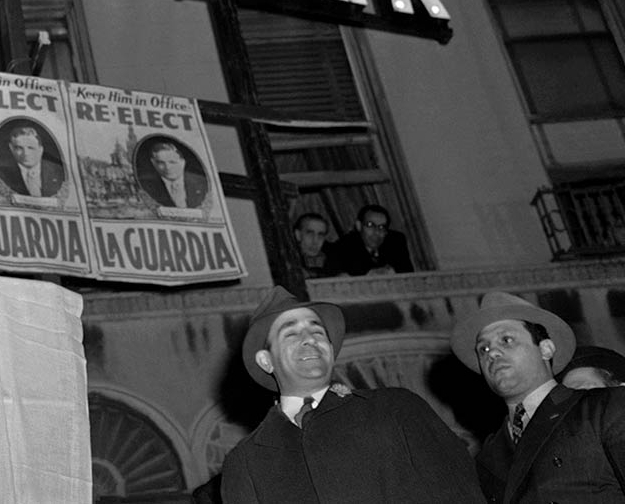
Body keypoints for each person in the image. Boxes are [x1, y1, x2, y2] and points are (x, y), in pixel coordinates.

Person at [221, 285, 484, 504]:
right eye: (291, 333)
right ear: (266, 361)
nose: (310, 339)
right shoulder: (245, 462)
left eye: (317, 331)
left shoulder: (397, 408)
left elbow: (460, 493)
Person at [450, 290, 625, 503]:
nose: (492, 353)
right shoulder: (487, 455)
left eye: (506, 340)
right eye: (483, 349)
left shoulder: (604, 407)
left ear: (546, 349)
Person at [329, 204, 413, 276]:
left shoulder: (396, 240)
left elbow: (406, 272)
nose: (376, 232)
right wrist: (368, 275)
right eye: (370, 225)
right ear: (359, 226)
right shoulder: (343, 246)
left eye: (382, 227)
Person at [136, 138, 213, 211]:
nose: (167, 167)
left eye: (172, 162)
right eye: (161, 163)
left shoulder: (202, 183)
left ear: (183, 162)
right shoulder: (145, 186)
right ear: (153, 163)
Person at [0, 124, 65, 197]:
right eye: (19, 148)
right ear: (11, 149)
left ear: (40, 149)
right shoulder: (1, 175)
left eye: (31, 148)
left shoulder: (59, 172)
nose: (26, 153)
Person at [292, 213, 340, 278]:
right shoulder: (287, 257)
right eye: (310, 234)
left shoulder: (329, 255)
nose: (315, 241)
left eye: (320, 235)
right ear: (298, 235)